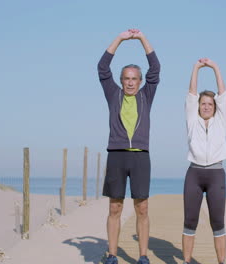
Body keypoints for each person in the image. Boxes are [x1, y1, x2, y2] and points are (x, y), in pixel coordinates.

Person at [97, 29, 160, 264]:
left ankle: (143, 256)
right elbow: (102, 68)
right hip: (116, 155)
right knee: (115, 208)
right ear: (121, 81)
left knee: (142, 207)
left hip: (141, 157)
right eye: (127, 78)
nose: (131, 82)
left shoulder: (147, 95)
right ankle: (112, 255)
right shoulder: (113, 94)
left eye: (134, 78)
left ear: (140, 81)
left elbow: (155, 68)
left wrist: (143, 38)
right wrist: (120, 39)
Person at [182, 58, 226, 264]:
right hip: (194, 174)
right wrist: (196, 68)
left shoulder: (222, 119)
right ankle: (186, 261)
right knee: (190, 221)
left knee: (218, 222)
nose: (207, 106)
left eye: (210, 104)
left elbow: (223, 94)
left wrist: (215, 68)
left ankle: (222, 261)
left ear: (216, 107)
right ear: (198, 106)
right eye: (203, 104)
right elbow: (191, 94)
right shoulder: (192, 119)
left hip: (216, 174)